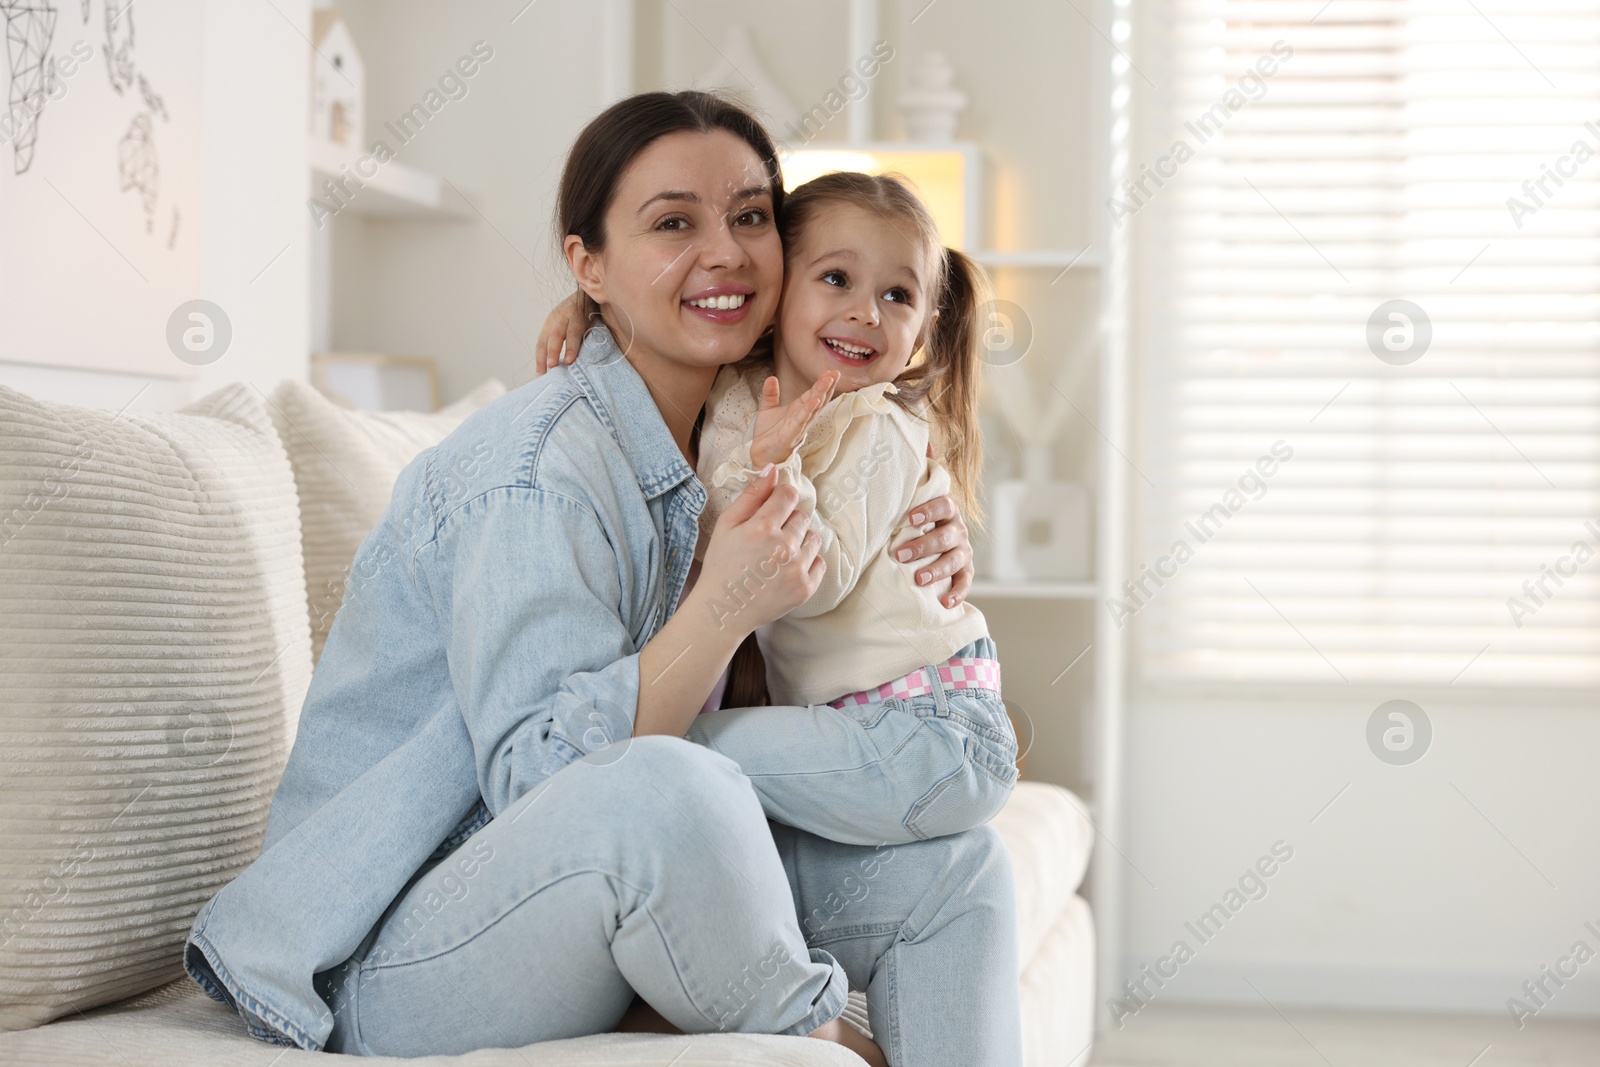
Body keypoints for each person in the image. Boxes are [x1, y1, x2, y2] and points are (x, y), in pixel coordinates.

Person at [179, 90, 1022, 1066]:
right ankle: (823, 1035)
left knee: (961, 868)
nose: (724, 252)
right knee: (673, 780)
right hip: (408, 941)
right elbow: (548, 779)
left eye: (748, 218)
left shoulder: (740, 423)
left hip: (614, 881)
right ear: (589, 263)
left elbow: (846, 581)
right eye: (673, 222)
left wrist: (925, 527)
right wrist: (723, 604)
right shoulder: (535, 471)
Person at [536, 170, 1018, 849]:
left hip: (927, 726)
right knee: (661, 755)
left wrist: (777, 464)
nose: (866, 312)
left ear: (922, 333)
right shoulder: (735, 389)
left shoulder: (881, 429)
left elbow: (813, 585)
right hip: (870, 723)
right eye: (835, 279)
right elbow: (654, 330)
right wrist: (588, 310)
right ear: (777, 286)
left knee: (646, 750)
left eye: (897, 295)